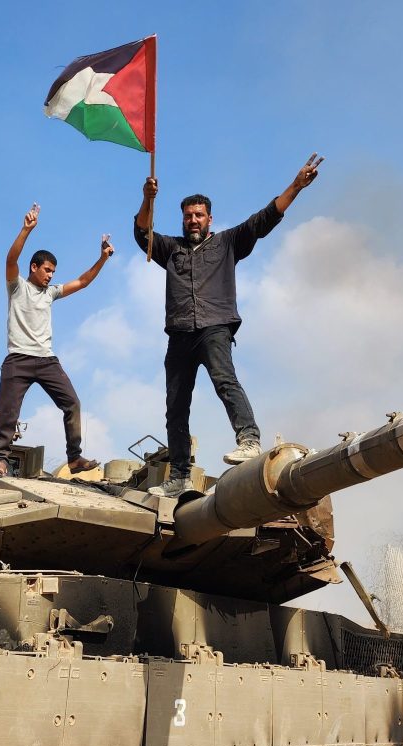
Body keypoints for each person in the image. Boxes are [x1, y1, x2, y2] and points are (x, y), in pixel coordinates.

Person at [134, 154, 324, 497]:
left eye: (199, 215)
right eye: (188, 216)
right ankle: (179, 476)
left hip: (214, 327)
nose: (193, 220)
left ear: (210, 218)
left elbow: (264, 219)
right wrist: (148, 199)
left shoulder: (227, 243)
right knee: (175, 406)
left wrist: (296, 186)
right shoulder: (170, 249)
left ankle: (249, 439)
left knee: (225, 380)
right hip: (179, 333)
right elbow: (142, 232)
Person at [0, 203, 109, 479]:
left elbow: (82, 282)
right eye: (47, 270)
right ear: (34, 267)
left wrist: (102, 258)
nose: (51, 275)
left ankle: (74, 458)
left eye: (53, 272)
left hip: (46, 360)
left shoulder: (51, 293)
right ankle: (1, 460)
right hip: (18, 359)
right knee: (8, 412)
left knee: (72, 402)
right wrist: (26, 230)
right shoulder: (17, 286)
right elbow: (10, 260)